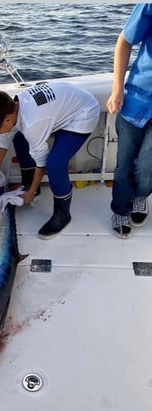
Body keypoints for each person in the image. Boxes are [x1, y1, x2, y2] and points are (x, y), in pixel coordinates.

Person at [0, 81, 100, 239]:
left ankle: (63, 215)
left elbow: (41, 163)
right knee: (18, 136)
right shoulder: (15, 105)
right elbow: (5, 138)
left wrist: (30, 193)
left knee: (55, 164)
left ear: (7, 120)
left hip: (83, 114)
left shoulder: (32, 123)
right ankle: (29, 184)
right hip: (63, 110)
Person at [107, 3, 152, 239]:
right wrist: (117, 90)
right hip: (137, 97)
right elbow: (124, 41)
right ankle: (120, 208)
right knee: (124, 163)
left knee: (147, 165)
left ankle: (141, 196)